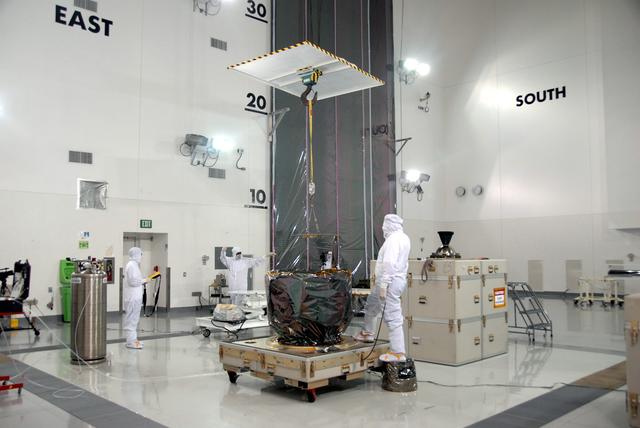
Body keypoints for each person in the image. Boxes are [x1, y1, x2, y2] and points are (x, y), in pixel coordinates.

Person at [355, 214, 411, 362]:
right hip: (390, 281)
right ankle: (367, 333)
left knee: (392, 315)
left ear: (389, 225)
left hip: (389, 282)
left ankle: (398, 352)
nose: (383, 228)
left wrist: (385, 284)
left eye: (385, 225)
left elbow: (389, 263)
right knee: (371, 305)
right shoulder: (404, 238)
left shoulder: (393, 240)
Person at [123, 247, 147, 350]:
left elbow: (135, 280)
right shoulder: (131, 265)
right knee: (131, 320)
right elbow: (132, 282)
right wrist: (144, 280)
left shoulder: (134, 265)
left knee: (134, 320)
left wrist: (143, 280)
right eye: (140, 254)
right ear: (136, 255)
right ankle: (130, 342)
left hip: (135, 297)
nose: (141, 257)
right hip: (132, 298)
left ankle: (133, 340)